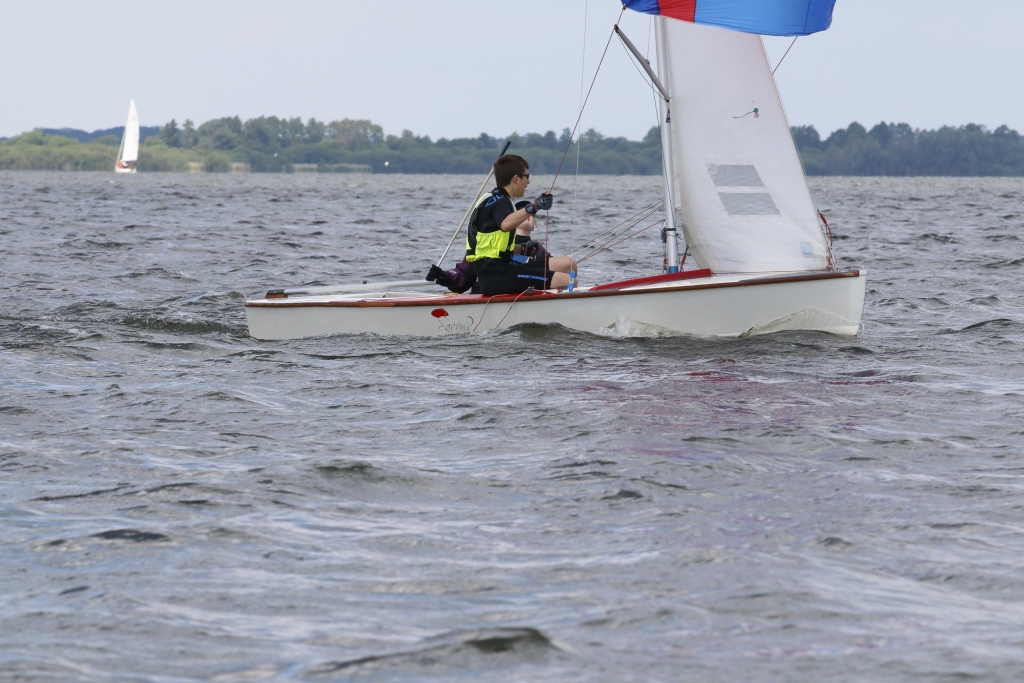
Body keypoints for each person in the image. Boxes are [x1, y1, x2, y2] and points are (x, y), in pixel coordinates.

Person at [462, 154, 575, 296]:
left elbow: (494, 246)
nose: (528, 182)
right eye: (527, 176)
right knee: (568, 281)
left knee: (568, 265)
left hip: (502, 269)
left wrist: (522, 248)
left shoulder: (492, 199)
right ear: (516, 178)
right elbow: (506, 224)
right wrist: (535, 206)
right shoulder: (500, 201)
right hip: (497, 276)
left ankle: (557, 297)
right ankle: (562, 303)